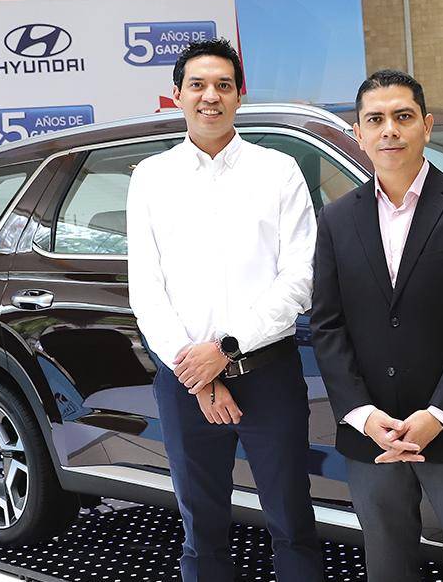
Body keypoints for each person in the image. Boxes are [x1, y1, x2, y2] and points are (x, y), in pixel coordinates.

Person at [127, 39, 322, 581]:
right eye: (197, 85)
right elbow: (146, 289)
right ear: (176, 95)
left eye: (222, 85)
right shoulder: (151, 177)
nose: (209, 96)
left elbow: (299, 279)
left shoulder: (278, 171)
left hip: (268, 375)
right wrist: (198, 373)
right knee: (201, 527)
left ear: (240, 95)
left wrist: (225, 349)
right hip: (184, 381)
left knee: (292, 521)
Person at [309, 69, 443, 582]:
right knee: (388, 567)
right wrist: (361, 414)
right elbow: (327, 325)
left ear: (426, 125)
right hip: (372, 433)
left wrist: (438, 415)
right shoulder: (336, 219)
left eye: (402, 117)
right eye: (375, 120)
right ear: (358, 133)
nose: (389, 130)